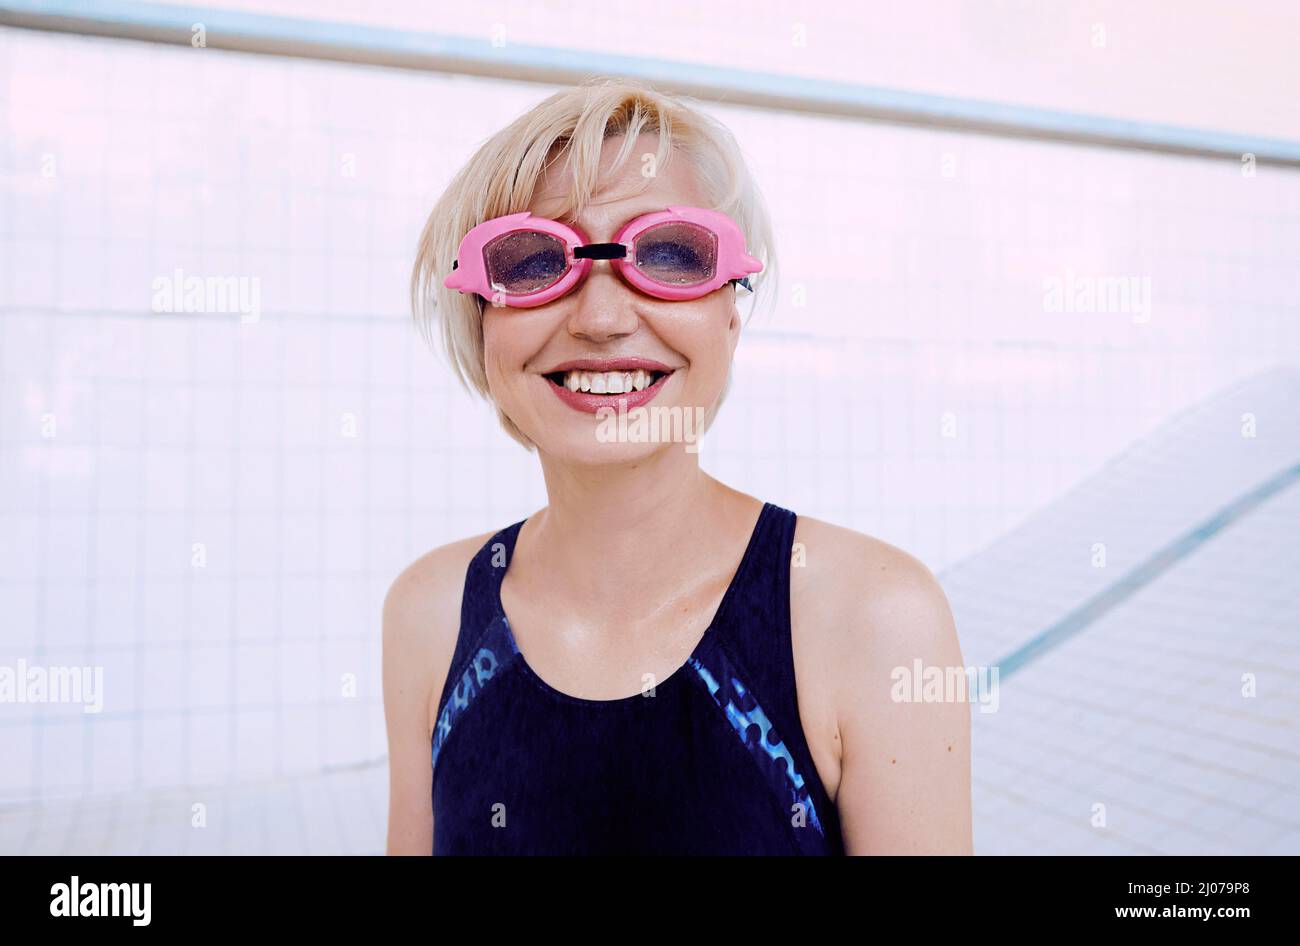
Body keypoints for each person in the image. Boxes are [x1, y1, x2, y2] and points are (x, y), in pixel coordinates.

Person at [384, 76, 971, 855]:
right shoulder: (431, 613)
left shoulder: (874, 619)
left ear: (731, 309)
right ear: (481, 323)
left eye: (668, 254)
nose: (600, 317)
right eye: (531, 262)